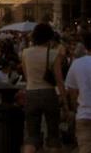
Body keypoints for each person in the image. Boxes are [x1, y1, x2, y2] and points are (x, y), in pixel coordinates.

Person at [21, 22, 65, 153]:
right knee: (53, 134)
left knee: (32, 136)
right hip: (49, 93)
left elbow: (26, 75)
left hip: (31, 93)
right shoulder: (53, 53)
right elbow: (59, 79)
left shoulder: (25, 53)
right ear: (49, 37)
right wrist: (64, 98)